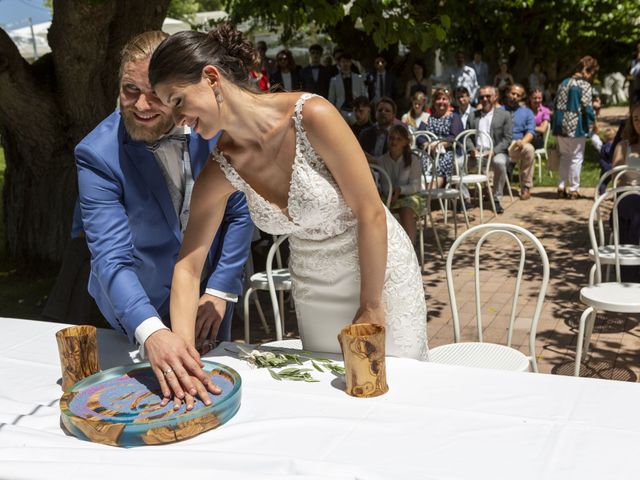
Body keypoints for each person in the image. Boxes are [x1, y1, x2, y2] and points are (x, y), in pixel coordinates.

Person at [147, 25, 429, 404]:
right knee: (330, 396)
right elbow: (187, 268)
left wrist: (371, 304)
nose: (178, 120)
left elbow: (371, 212)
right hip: (314, 288)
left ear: (211, 77)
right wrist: (185, 359)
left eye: (177, 101)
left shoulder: (311, 115)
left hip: (379, 276)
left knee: (398, 393)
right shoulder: (219, 170)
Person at [74, 30, 254, 398]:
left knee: (214, 399)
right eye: (130, 90)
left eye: (154, 93)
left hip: (209, 303)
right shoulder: (96, 155)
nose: (141, 105)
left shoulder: (213, 128)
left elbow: (239, 212)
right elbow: (111, 259)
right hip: (136, 307)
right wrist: (151, 331)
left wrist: (220, 290)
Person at [551, 55, 599, 199]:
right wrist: (593, 122)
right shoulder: (584, 85)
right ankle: (574, 189)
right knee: (576, 158)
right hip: (575, 125)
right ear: (587, 70)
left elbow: (555, 103)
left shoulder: (563, 83)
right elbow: (587, 107)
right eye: (592, 73)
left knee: (565, 156)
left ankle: (561, 185)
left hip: (560, 124)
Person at [467, 85, 512, 213]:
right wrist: (471, 149)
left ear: (495, 97)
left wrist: (494, 151)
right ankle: (465, 199)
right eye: (482, 97)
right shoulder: (472, 116)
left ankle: (496, 199)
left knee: (500, 163)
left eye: (488, 96)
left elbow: (507, 138)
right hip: (477, 153)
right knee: (457, 164)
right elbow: (468, 137)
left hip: (495, 152)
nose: (485, 99)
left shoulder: (504, 115)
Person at [376, 124, 424, 244]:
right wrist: (392, 194)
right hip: (389, 196)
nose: (394, 142)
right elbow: (385, 185)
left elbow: (416, 185)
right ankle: (388, 247)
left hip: (410, 195)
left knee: (406, 209)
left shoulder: (413, 160)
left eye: (398, 139)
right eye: (392, 138)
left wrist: (400, 190)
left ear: (405, 142)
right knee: (380, 210)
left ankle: (410, 247)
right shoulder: (382, 160)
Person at [416, 88, 464, 187]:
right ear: (433, 102)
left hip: (448, 151)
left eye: (444, 99)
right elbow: (419, 135)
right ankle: (424, 192)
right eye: (438, 99)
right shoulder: (428, 118)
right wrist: (428, 145)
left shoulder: (455, 117)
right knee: (421, 161)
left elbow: (453, 137)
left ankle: (431, 191)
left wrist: (438, 144)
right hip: (430, 151)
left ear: (449, 101)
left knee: (442, 163)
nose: (441, 101)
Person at [504, 84, 536, 200]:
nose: (515, 97)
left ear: (521, 98)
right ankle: (491, 187)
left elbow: (531, 132)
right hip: (500, 145)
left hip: (516, 145)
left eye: (518, 95)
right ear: (508, 93)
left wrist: (523, 142)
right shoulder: (498, 111)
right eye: (513, 94)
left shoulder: (527, 112)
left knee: (529, 149)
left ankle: (526, 187)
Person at [328, 51, 368, 124]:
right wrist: (335, 112)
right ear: (339, 63)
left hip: (356, 111)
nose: (345, 64)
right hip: (341, 111)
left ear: (350, 63)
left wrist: (362, 110)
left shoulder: (358, 78)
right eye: (343, 62)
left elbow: (364, 95)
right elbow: (331, 99)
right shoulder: (334, 80)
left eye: (347, 61)